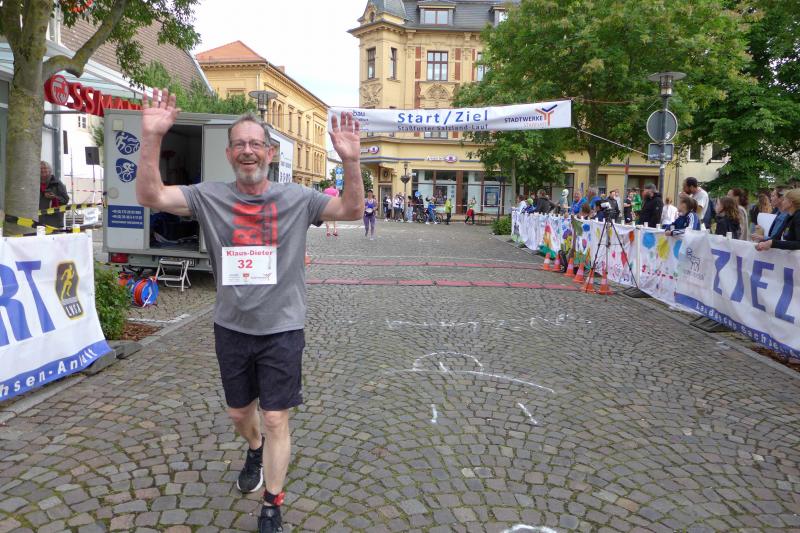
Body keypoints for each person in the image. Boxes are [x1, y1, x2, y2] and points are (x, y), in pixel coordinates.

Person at [135, 88, 362, 533]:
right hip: (232, 327)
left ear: (270, 152)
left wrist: (350, 161)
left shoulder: (297, 198)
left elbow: (352, 208)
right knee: (241, 414)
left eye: (256, 143)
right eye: (239, 144)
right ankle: (253, 447)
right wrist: (151, 137)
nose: (247, 150)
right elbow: (151, 196)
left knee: (276, 416)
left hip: (282, 327)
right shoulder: (208, 196)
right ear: (229, 153)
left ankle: (272, 503)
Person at [39, 161, 70, 227]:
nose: (43, 170)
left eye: (45, 168)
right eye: (40, 168)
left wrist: (54, 197)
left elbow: (65, 200)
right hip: (38, 220)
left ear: (50, 170)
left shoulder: (57, 183)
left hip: (54, 221)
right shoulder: (35, 183)